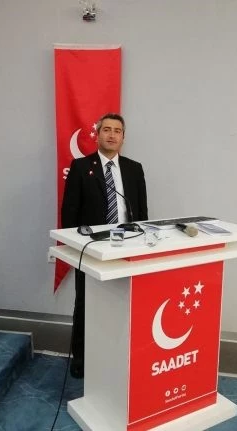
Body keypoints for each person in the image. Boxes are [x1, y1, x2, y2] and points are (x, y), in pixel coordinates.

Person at [60, 113, 148, 378]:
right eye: (106, 130)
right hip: (91, 249)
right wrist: (75, 246)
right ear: (97, 135)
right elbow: (69, 212)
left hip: (126, 247)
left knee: (123, 303)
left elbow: (142, 212)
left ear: (123, 138)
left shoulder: (134, 168)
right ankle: (81, 359)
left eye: (117, 131)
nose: (112, 135)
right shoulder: (81, 167)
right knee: (86, 303)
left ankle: (119, 357)